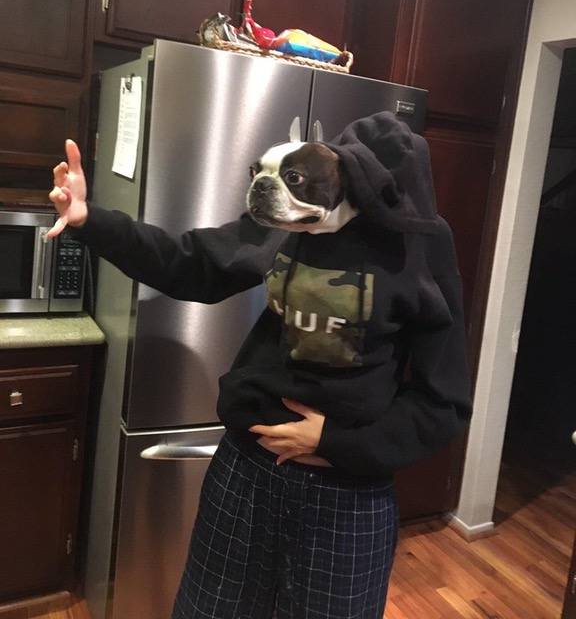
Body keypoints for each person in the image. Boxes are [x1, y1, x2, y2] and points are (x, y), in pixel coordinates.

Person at [48, 113, 472, 619]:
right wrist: (90, 220)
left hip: (349, 492)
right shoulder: (287, 223)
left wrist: (337, 442)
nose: (269, 190)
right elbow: (190, 264)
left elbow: (444, 398)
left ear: (351, 182)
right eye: (260, 174)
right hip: (246, 471)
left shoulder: (418, 243)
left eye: (294, 178)